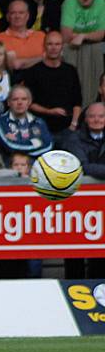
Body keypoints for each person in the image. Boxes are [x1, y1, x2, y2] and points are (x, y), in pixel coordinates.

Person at [62, 102, 105, 278]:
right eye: (92, 116)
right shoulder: (74, 139)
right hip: (76, 205)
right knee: (74, 252)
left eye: (101, 116)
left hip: (101, 206)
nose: (97, 120)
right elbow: (81, 166)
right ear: (85, 119)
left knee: (101, 250)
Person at [23, 31, 82, 143]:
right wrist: (49, 111)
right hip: (40, 128)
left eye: (57, 44)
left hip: (68, 129)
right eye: (50, 44)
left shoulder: (70, 71)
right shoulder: (33, 72)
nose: (53, 48)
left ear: (62, 46)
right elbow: (29, 103)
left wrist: (73, 125)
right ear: (44, 46)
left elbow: (77, 101)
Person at [60, 0, 105, 106]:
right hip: (72, 48)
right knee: (67, 48)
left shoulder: (102, 4)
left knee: (98, 47)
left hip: (97, 47)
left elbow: (101, 34)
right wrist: (89, 35)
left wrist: (83, 36)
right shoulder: (69, 3)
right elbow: (66, 35)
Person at [0, 84, 53, 164]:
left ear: (29, 102)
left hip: (36, 167)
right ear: (8, 102)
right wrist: (37, 143)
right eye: (15, 99)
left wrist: (19, 142)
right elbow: (10, 146)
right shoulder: (1, 121)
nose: (19, 103)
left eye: (24, 99)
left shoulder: (39, 122)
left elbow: (48, 146)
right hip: (12, 169)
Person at [0, 0, 46, 72]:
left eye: (21, 13)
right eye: (13, 13)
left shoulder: (41, 35)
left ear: (27, 16)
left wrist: (23, 62)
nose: (17, 16)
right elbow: (15, 64)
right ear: (7, 17)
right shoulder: (0, 38)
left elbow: (55, 58)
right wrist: (43, 58)